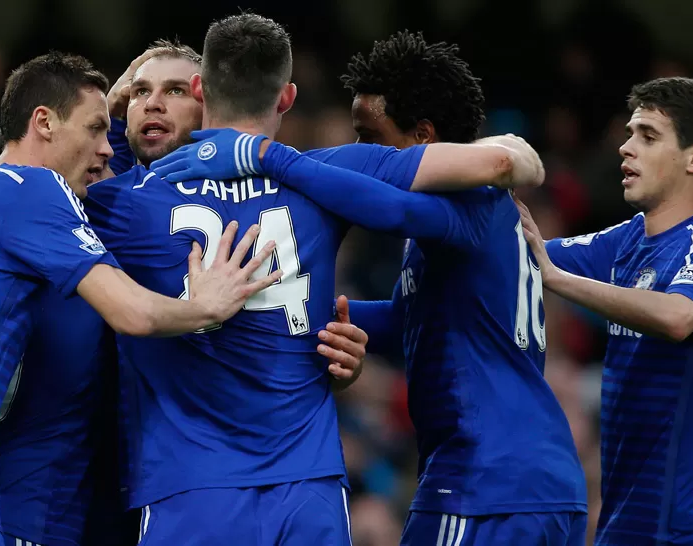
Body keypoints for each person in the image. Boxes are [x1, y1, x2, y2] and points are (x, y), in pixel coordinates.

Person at [154, 30, 588, 546]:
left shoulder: (471, 197)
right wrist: (277, 308)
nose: (361, 153)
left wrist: (271, 157)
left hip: (485, 482)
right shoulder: (459, 221)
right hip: (527, 481)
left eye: (371, 137)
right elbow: (406, 321)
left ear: (423, 136)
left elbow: (390, 208)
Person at [0, 52, 281, 546]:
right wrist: (207, 306)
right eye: (94, 129)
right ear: (43, 122)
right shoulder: (37, 192)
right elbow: (132, 311)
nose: (105, 146)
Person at [0, 43, 371, 546]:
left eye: (174, 91)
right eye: (140, 93)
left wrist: (331, 349)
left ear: (207, 100)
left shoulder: (122, 205)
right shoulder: (94, 201)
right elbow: (9, 188)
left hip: (173, 482)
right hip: (77, 474)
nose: (152, 103)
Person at [516, 77, 693, 545]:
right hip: (623, 525)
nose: (625, 148)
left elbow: (679, 316)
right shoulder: (626, 240)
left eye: (647, 136)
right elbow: (526, 254)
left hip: (682, 532)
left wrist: (560, 281)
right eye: (629, 134)